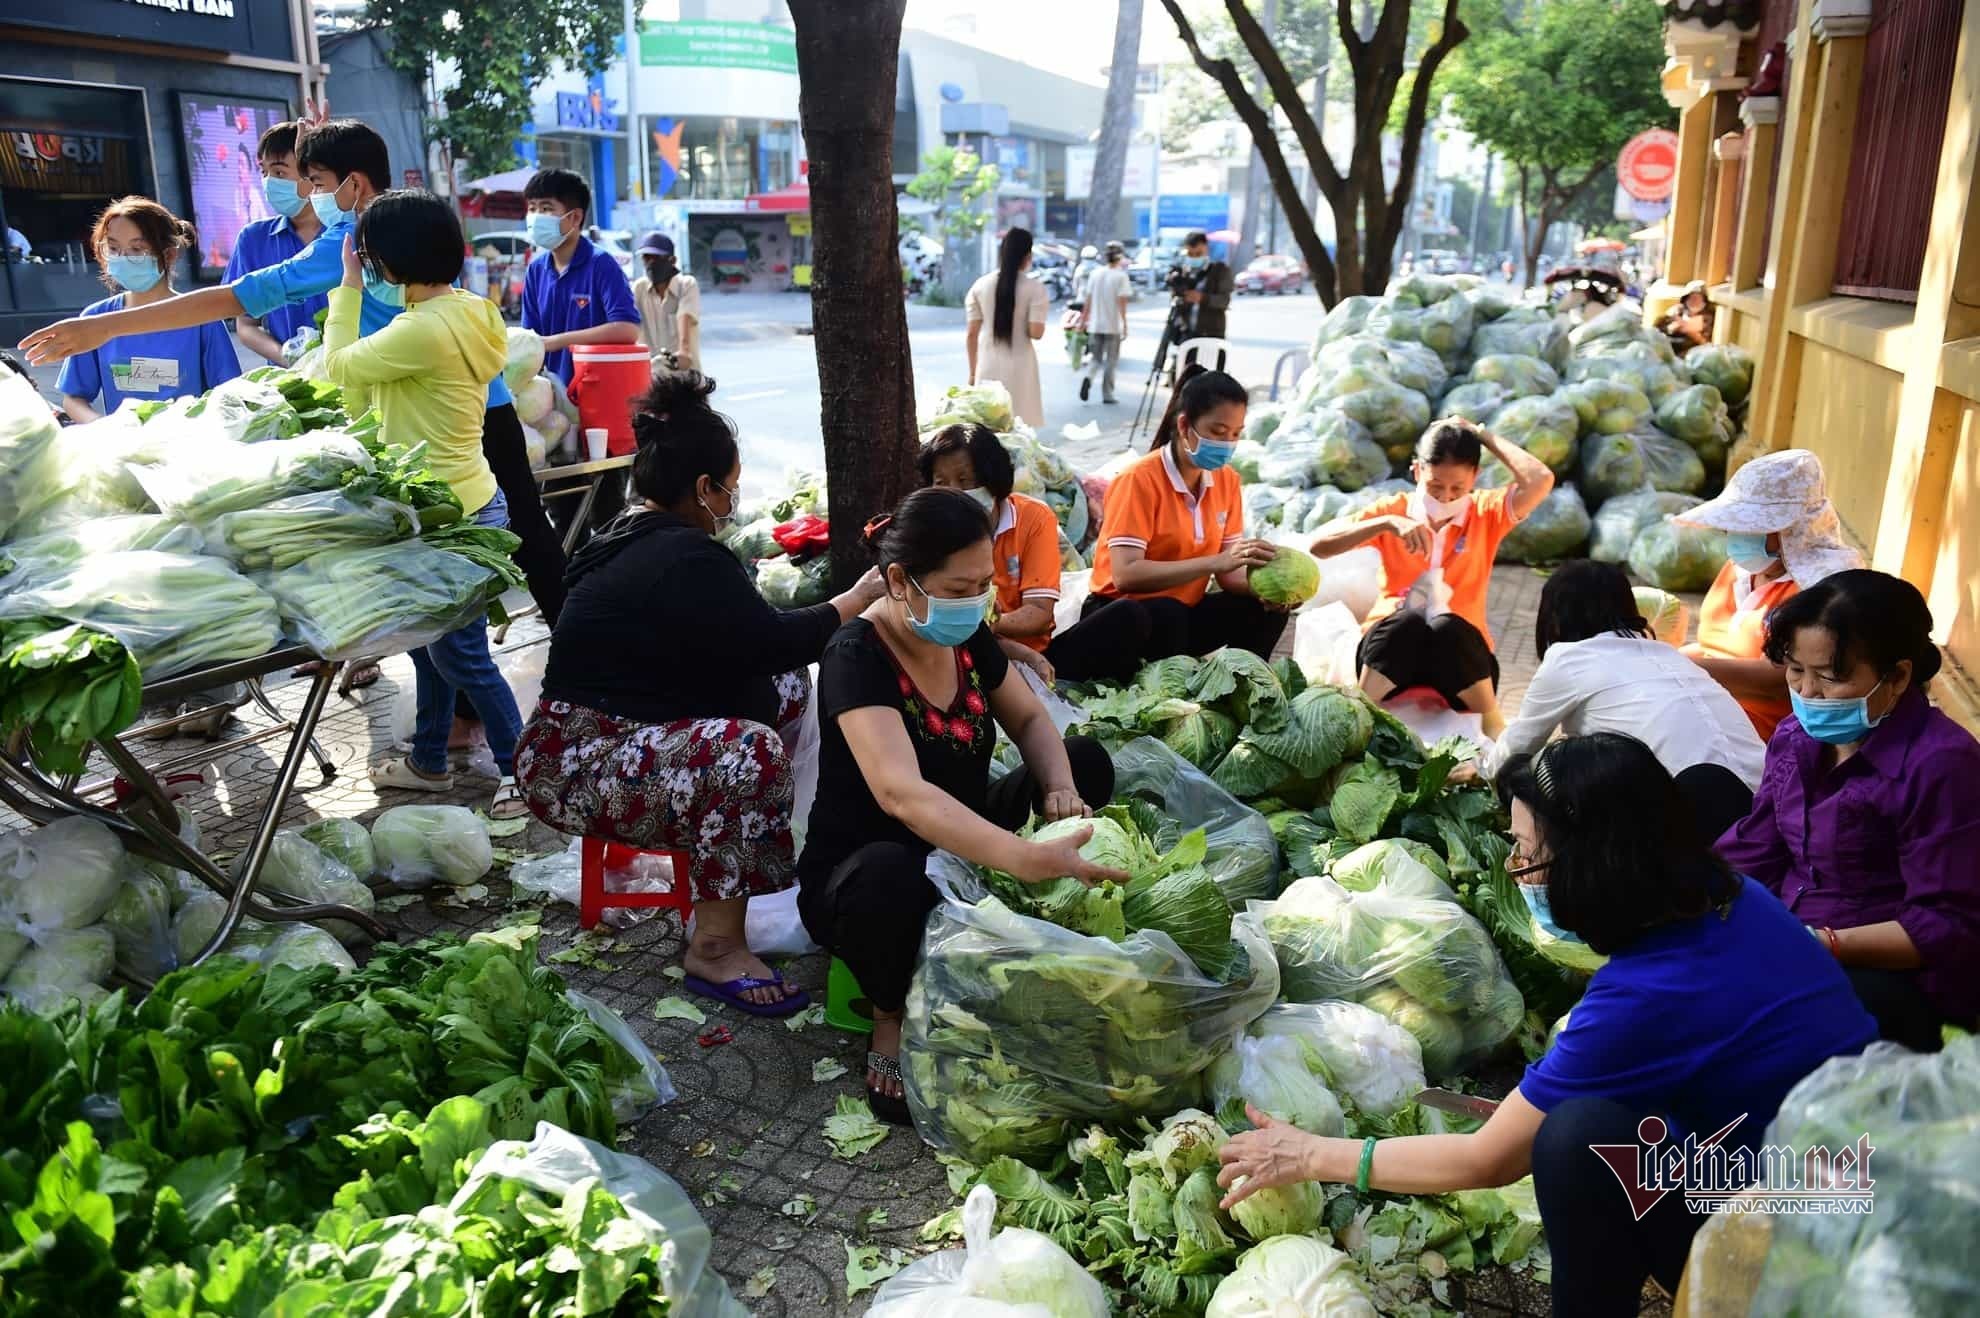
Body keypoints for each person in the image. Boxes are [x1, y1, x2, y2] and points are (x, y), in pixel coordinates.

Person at [1214, 733, 1878, 1315]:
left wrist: (1311, 1155)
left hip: (1807, 1263)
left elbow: (1487, 1160)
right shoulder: (1735, 900)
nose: (1515, 869)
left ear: (1594, 866)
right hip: (1853, 1193)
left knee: (1575, 1143)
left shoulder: (1647, 995)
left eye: (1527, 853)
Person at [17, 120, 567, 642]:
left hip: (441, 419)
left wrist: (105, 326)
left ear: (352, 183)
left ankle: (562, 666)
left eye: (319, 183)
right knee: (496, 540)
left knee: (480, 546)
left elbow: (235, 298)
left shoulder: (353, 244)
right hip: (468, 401)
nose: (310, 194)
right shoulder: (402, 221)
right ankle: (507, 685)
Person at [517, 371, 887, 1016]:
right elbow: (771, 639)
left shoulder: (637, 535)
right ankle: (715, 947)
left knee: (786, 691)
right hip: (573, 764)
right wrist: (854, 602)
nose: (734, 500)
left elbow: (753, 655)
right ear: (703, 489)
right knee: (750, 752)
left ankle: (760, 852)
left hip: (610, 737)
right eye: (731, 488)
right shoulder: (682, 555)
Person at [798, 487, 1122, 1120]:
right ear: (898, 580)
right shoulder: (854, 656)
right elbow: (901, 794)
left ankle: (997, 910)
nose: (976, 602)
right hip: (871, 869)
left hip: (964, 844)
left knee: (1084, 759)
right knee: (887, 875)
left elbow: (1030, 718)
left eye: (984, 583)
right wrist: (1020, 858)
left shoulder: (969, 636)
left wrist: (1058, 787)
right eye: (957, 587)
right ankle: (887, 1015)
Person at [317, 190, 527, 819]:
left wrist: (347, 288)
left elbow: (335, 367)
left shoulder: (420, 329)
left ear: (386, 259)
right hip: (456, 502)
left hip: (451, 515)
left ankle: (524, 770)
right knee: (427, 644)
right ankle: (429, 760)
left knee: (460, 653)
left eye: (371, 257)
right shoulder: (470, 311)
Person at [1717, 569, 1980, 1053]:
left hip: (1887, 974)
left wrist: (1822, 944)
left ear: (1897, 676)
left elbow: (1947, 926)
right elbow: (1757, 846)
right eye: (1796, 671)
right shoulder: (1796, 737)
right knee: (1704, 790)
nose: (1808, 693)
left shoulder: (1943, 763)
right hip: (1790, 934)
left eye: (1831, 677)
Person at [1308, 419, 1555, 738]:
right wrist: (1385, 524)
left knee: (1447, 626)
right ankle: (1358, 717)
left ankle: (1492, 726)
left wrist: (1480, 434)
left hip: (1461, 667)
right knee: (1409, 621)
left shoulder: (1485, 513)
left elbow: (1540, 479)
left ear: (1475, 479)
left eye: (1458, 489)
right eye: (1435, 486)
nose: (1446, 497)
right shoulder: (1394, 510)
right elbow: (1319, 546)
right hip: (1388, 659)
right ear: (1416, 472)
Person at [1481, 560, 1765, 837]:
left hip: (1699, 819)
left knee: (1547, 766)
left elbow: (1516, 748)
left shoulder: (1568, 659)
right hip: (1765, 800)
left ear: (1554, 617)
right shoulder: (1667, 654)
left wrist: (1480, 772)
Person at [1069, 366, 1288, 682]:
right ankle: (1169, 695)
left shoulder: (1227, 481)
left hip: (1182, 616)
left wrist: (1270, 590)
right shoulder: (1138, 481)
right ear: (1185, 425)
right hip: (1122, 616)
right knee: (1168, 613)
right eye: (1217, 431)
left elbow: (1229, 575)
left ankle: (1247, 691)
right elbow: (1127, 575)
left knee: (1261, 611)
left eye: (1236, 434)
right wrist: (1214, 562)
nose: (1228, 443)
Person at [1673, 449, 1863, 742]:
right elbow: (1713, 646)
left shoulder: (1824, 588)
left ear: (1793, 529)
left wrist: (1681, 669)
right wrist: (1661, 659)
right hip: (1711, 712)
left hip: (1768, 739)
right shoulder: (1740, 569)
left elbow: (1777, 679)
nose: (1737, 534)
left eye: (1752, 527)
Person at [55, 197, 240, 423]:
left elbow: (231, 395)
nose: (123, 258)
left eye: (137, 249)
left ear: (169, 255)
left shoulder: (203, 318)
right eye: (113, 248)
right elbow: (73, 399)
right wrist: (105, 428)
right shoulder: (94, 319)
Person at [918, 422, 1061, 687]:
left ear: (992, 480)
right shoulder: (930, 533)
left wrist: (991, 623)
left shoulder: (1034, 519)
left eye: (964, 480)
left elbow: (1040, 613)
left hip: (1038, 656)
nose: (954, 493)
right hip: (962, 656)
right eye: (941, 483)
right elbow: (940, 626)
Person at [519, 169, 642, 384]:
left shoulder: (601, 264)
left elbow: (627, 329)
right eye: (532, 208)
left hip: (598, 390)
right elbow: (530, 338)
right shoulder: (535, 270)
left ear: (575, 217)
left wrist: (556, 341)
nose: (536, 217)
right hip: (551, 396)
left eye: (546, 208)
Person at [224, 121, 327, 367]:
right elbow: (246, 324)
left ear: (311, 174)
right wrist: (289, 358)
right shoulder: (253, 239)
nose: (269, 182)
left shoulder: (347, 233)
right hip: (292, 381)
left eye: (279, 173)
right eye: (264, 172)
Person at [965, 228, 1049, 427]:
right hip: (1021, 368)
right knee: (1019, 430)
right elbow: (1036, 333)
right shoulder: (1036, 289)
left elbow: (971, 334)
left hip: (987, 367)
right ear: (1028, 256)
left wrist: (972, 374)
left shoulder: (980, 285)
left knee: (988, 429)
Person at [630, 231, 700, 372]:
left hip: (684, 376)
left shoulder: (686, 284)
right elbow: (628, 322)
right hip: (652, 377)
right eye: (646, 258)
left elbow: (684, 315)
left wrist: (684, 351)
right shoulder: (639, 288)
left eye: (656, 258)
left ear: (672, 260)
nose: (650, 263)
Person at [1079, 241, 1132, 405]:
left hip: (1095, 324)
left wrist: (1083, 320)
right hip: (1112, 325)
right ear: (1120, 256)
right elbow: (1121, 303)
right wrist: (1125, 324)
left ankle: (1088, 377)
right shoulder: (1121, 276)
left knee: (1095, 359)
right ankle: (1107, 394)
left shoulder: (1095, 273)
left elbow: (1087, 300)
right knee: (1111, 360)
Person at [1169, 231, 1234, 342]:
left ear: (1206, 249)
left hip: (1211, 335)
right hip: (1185, 334)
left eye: (1198, 254)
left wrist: (1202, 298)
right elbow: (1176, 299)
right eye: (1190, 254)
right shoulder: (1183, 272)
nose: (1194, 258)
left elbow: (1224, 301)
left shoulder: (1220, 270)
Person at [1658, 280, 1715, 354]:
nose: (1694, 302)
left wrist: (1691, 332)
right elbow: (1658, 328)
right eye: (1692, 298)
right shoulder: (1677, 311)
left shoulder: (1708, 318)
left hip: (1692, 351)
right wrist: (1670, 328)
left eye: (1698, 298)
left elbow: (1706, 344)